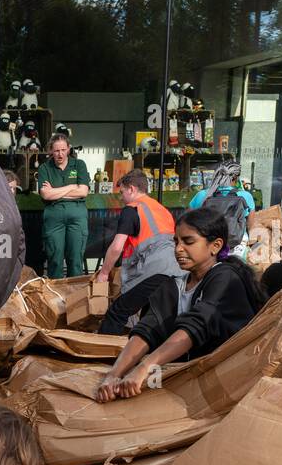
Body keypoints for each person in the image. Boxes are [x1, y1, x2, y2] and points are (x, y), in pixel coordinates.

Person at [96, 207, 266, 403]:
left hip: (224, 386)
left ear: (216, 245)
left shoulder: (225, 277)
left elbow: (196, 325)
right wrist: (114, 374)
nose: (178, 249)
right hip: (186, 382)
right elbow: (148, 329)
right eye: (176, 242)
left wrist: (145, 367)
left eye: (188, 241)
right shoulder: (172, 285)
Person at [94, 169, 185, 335]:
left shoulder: (132, 209)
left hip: (155, 269)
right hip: (177, 270)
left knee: (118, 311)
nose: (121, 198)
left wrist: (104, 273)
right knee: (150, 316)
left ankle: (100, 354)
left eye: (122, 192)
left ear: (132, 189)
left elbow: (117, 247)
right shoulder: (161, 209)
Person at [36, 133, 91, 278]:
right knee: (55, 260)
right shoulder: (44, 168)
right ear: (50, 151)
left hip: (77, 217)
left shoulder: (79, 165)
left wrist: (55, 192)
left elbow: (83, 191)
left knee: (75, 260)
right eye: (56, 151)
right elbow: (46, 195)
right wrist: (72, 187)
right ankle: (55, 298)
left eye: (63, 150)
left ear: (68, 149)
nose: (60, 154)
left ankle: (76, 298)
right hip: (54, 218)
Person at [188, 159, 255, 255]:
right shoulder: (245, 196)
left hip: (209, 245)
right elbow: (250, 226)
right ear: (235, 178)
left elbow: (188, 221)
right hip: (238, 246)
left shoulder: (203, 195)